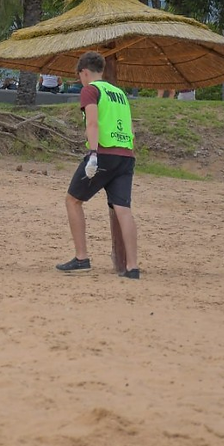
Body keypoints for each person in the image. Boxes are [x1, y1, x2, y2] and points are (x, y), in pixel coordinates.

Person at [56, 50, 140, 279]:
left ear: (84, 73)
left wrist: (93, 154)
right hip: (126, 154)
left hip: (103, 153)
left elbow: (92, 123)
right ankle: (132, 267)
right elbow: (131, 127)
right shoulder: (119, 93)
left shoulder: (90, 90)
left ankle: (81, 257)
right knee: (123, 209)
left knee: (73, 200)